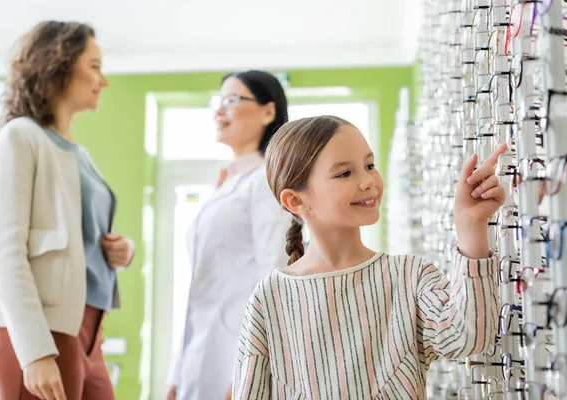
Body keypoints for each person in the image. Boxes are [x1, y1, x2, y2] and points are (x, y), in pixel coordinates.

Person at [232, 115, 507, 398]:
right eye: (344, 173)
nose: (368, 181)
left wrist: (470, 224)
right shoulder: (270, 298)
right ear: (296, 200)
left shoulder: (410, 276)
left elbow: (468, 338)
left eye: (369, 165)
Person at [0, 21, 135, 400]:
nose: (104, 80)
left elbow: (78, 241)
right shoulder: (19, 137)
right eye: (95, 66)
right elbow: (6, 254)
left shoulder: (79, 154)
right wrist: (34, 352)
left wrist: (122, 250)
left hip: (88, 331)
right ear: (59, 65)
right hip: (41, 332)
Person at [166, 70, 290, 400]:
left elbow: (274, 278)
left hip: (236, 359)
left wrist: (249, 374)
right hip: (201, 355)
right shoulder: (229, 183)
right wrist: (177, 371)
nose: (219, 111)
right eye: (218, 101)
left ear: (268, 111)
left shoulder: (266, 181)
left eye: (232, 100)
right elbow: (199, 290)